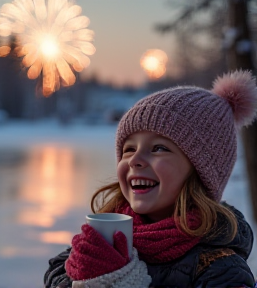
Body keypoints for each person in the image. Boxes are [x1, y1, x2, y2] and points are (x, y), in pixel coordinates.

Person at [44, 70, 257, 288]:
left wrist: (126, 283)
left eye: (158, 148)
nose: (135, 159)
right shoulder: (101, 242)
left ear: (201, 170)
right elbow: (56, 273)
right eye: (129, 149)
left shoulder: (221, 270)